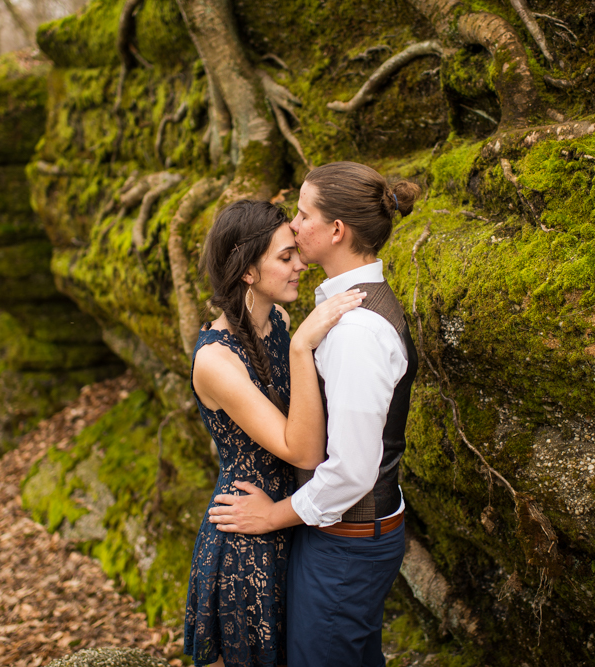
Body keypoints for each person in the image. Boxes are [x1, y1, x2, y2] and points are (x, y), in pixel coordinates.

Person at [207, 162, 422, 667]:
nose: (294, 225)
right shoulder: (345, 310)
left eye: (303, 214)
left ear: (336, 231)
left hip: (346, 545)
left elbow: (351, 470)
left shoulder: (356, 334)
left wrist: (272, 516)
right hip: (343, 535)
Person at [184, 199, 366, 667]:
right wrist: (305, 346)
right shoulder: (216, 361)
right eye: (285, 257)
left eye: (295, 254)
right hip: (249, 534)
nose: (300, 264)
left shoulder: (279, 324)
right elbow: (301, 449)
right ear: (247, 271)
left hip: (290, 516)